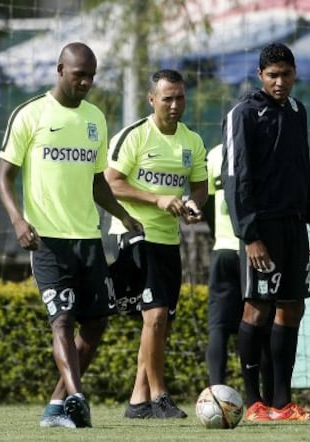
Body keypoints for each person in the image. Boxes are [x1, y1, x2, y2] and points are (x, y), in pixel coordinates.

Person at [0, 42, 143, 429]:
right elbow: (4, 176)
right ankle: (78, 397)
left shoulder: (95, 118)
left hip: (88, 238)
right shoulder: (30, 114)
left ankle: (57, 405)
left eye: (91, 76)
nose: (86, 82)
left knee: (95, 325)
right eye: (80, 74)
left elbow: (98, 183)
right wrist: (17, 221)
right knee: (62, 319)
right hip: (46, 239)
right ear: (61, 69)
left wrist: (124, 216)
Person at [221, 42, 310, 422]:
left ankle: (282, 403)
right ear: (260, 76)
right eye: (273, 75)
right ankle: (253, 403)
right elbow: (235, 179)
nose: (280, 82)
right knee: (257, 307)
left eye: (286, 74)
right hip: (261, 228)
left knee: (292, 307)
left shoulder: (297, 111)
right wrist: (249, 235)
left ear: (295, 73)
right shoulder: (243, 114)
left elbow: (303, 170)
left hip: (294, 227)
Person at [105, 69, 208, 418]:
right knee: (156, 315)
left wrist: (193, 204)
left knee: (162, 323)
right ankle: (161, 397)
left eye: (180, 97)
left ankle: (138, 400)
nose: (175, 104)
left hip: (168, 240)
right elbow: (110, 183)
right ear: (152, 99)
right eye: (168, 98)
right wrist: (158, 199)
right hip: (135, 234)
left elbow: (199, 186)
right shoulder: (134, 136)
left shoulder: (191, 141)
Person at [203, 144, 273, 405]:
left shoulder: (214, 154)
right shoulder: (262, 150)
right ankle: (265, 399)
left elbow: (208, 203)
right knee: (262, 323)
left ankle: (215, 396)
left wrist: (220, 235)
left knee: (218, 327)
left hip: (222, 248)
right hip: (255, 249)